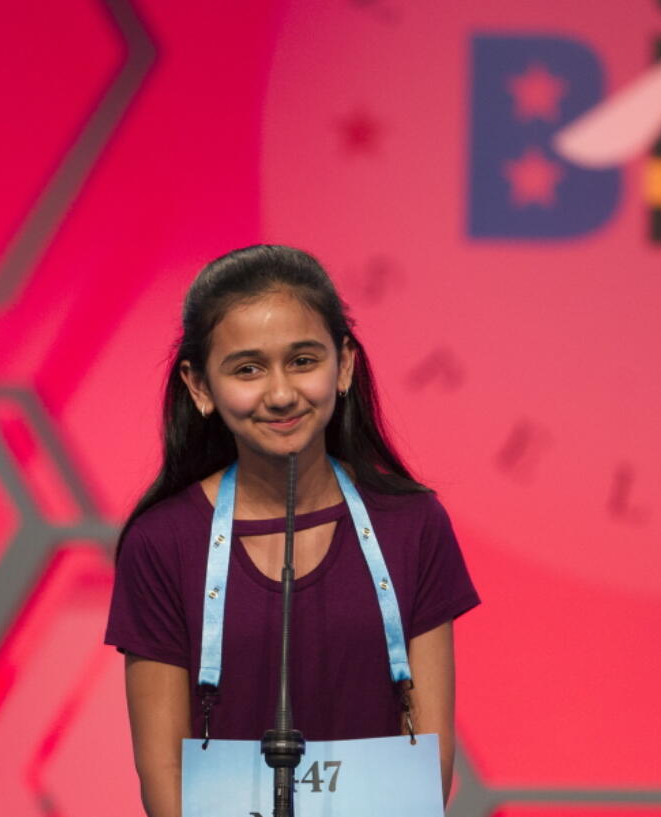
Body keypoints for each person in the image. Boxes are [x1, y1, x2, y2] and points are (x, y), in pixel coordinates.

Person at [104, 245, 480, 816]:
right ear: (200, 385)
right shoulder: (162, 543)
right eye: (247, 369)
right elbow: (164, 773)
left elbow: (430, 759)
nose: (280, 394)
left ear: (345, 364)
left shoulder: (413, 524)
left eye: (303, 360)